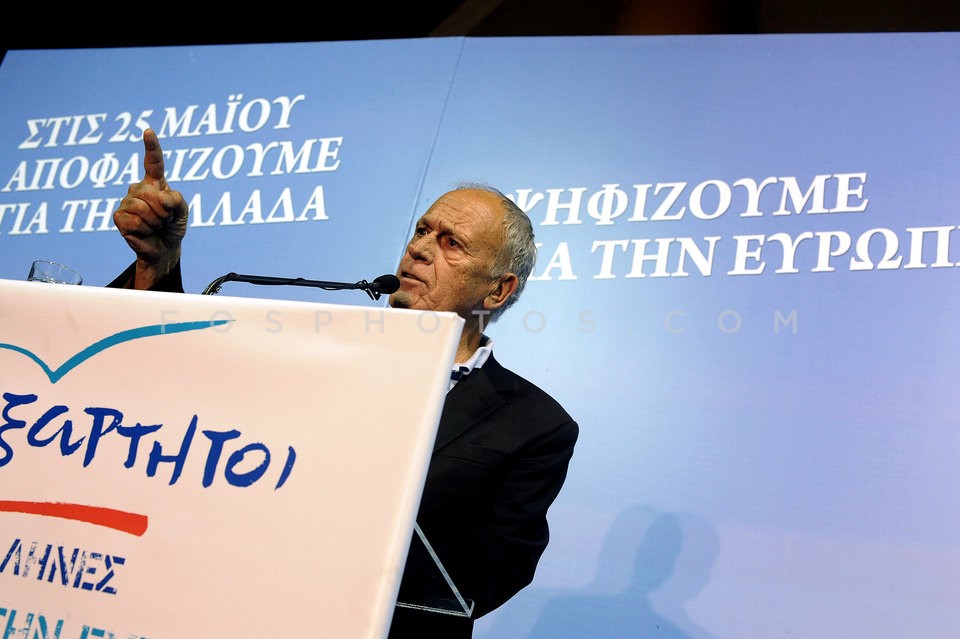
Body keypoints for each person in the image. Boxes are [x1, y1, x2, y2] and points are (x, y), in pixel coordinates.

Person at [110, 129, 579, 638]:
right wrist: (158, 263)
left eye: (451, 244)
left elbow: (491, 572)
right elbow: (178, 386)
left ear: (498, 290)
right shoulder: (321, 357)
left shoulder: (534, 425)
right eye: (422, 231)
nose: (419, 249)